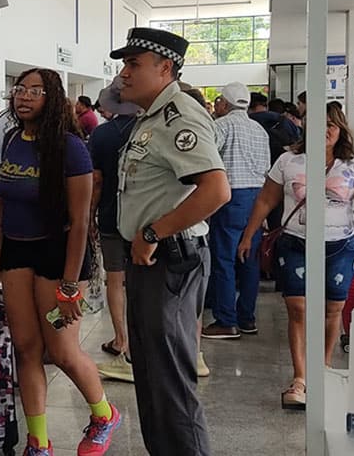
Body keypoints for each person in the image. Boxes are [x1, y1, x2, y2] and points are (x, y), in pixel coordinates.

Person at [113, 27, 231, 456]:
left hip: (169, 259)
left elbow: (216, 191)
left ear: (165, 69)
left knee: (171, 383)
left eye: (133, 64)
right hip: (150, 260)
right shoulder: (150, 117)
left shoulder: (180, 115)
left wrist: (151, 232)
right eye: (124, 64)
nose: (123, 73)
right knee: (150, 377)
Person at [0, 68, 120, 456]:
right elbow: (4, 188)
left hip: (59, 255)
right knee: (27, 348)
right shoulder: (14, 138)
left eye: (36, 90)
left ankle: (104, 414)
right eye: (20, 89)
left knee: (61, 349)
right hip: (15, 250)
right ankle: (39, 443)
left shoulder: (69, 147)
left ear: (53, 98)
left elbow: (81, 220)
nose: (25, 96)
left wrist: (68, 285)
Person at [238, 103, 354, 409]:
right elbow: (266, 199)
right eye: (318, 123)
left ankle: (323, 371)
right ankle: (301, 378)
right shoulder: (289, 160)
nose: (325, 130)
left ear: (341, 128)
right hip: (295, 243)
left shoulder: (353, 164)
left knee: (332, 310)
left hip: (339, 245)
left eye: (332, 124)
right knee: (298, 309)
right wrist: (249, 235)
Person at [203, 82, 270, 339]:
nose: (217, 104)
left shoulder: (220, 126)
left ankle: (225, 320)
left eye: (219, 100)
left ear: (226, 103)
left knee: (224, 259)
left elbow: (207, 159)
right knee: (249, 259)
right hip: (258, 198)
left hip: (231, 198)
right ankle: (246, 318)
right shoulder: (259, 130)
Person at [87, 77, 140, 383]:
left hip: (110, 216)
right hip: (145, 220)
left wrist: (91, 216)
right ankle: (140, 344)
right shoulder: (148, 128)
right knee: (141, 282)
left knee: (115, 280)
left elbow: (96, 181)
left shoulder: (102, 134)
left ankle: (121, 339)